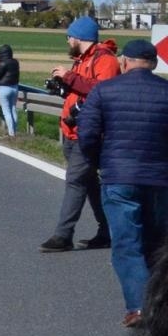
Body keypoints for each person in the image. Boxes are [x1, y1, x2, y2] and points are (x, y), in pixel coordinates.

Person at [78, 39, 168, 327]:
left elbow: (87, 136)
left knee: (127, 244)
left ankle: (140, 308)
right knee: (156, 245)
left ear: (125, 62)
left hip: (119, 177)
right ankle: (157, 303)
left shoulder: (104, 91)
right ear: (153, 64)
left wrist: (100, 162)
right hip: (160, 180)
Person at [39, 16, 119, 253]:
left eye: (69, 37)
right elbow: (82, 90)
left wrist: (70, 77)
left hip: (89, 134)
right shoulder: (82, 60)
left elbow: (103, 91)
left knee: (75, 181)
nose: (67, 41)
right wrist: (64, 87)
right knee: (90, 184)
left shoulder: (105, 60)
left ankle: (63, 236)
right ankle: (106, 232)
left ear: (78, 38)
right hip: (73, 131)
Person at [0, 43, 21, 137]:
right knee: (13, 109)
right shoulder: (15, 62)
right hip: (15, 88)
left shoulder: (3, 63)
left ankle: (11, 134)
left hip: (4, 88)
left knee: (6, 111)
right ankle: (14, 131)